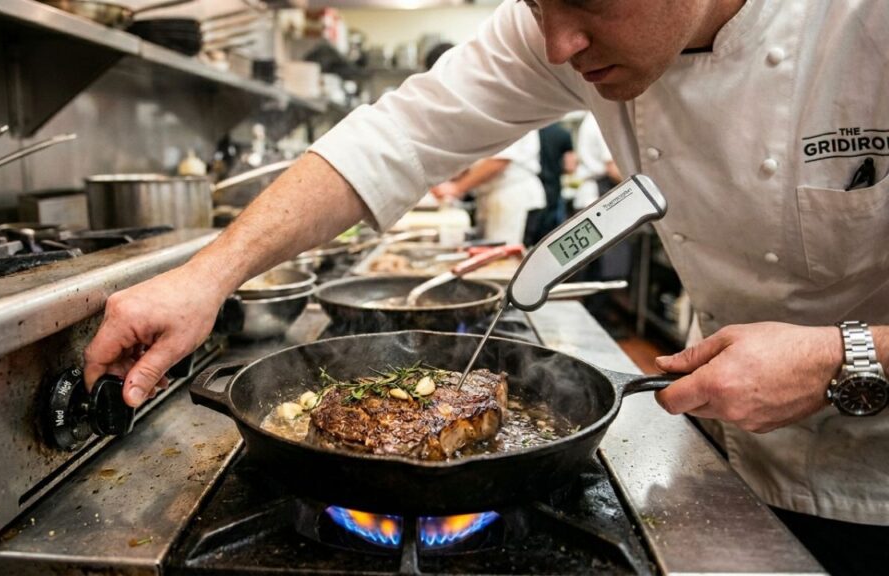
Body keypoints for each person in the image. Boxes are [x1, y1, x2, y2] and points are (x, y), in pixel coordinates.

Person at [85, 1, 889, 572]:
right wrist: (206, 276)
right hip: (731, 441)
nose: (553, 44)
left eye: (581, 4)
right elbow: (393, 138)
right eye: (537, 4)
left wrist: (845, 357)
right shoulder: (555, 25)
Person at [426, 42, 547, 245]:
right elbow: (478, 154)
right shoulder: (476, 101)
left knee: (506, 266)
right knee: (491, 260)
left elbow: (499, 161)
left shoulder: (506, 96)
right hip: (495, 197)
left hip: (513, 196)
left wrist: (457, 188)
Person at [524, 121, 575, 246]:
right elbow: (570, 166)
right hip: (553, 190)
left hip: (530, 192)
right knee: (550, 240)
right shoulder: (562, 133)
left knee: (527, 240)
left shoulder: (529, 132)